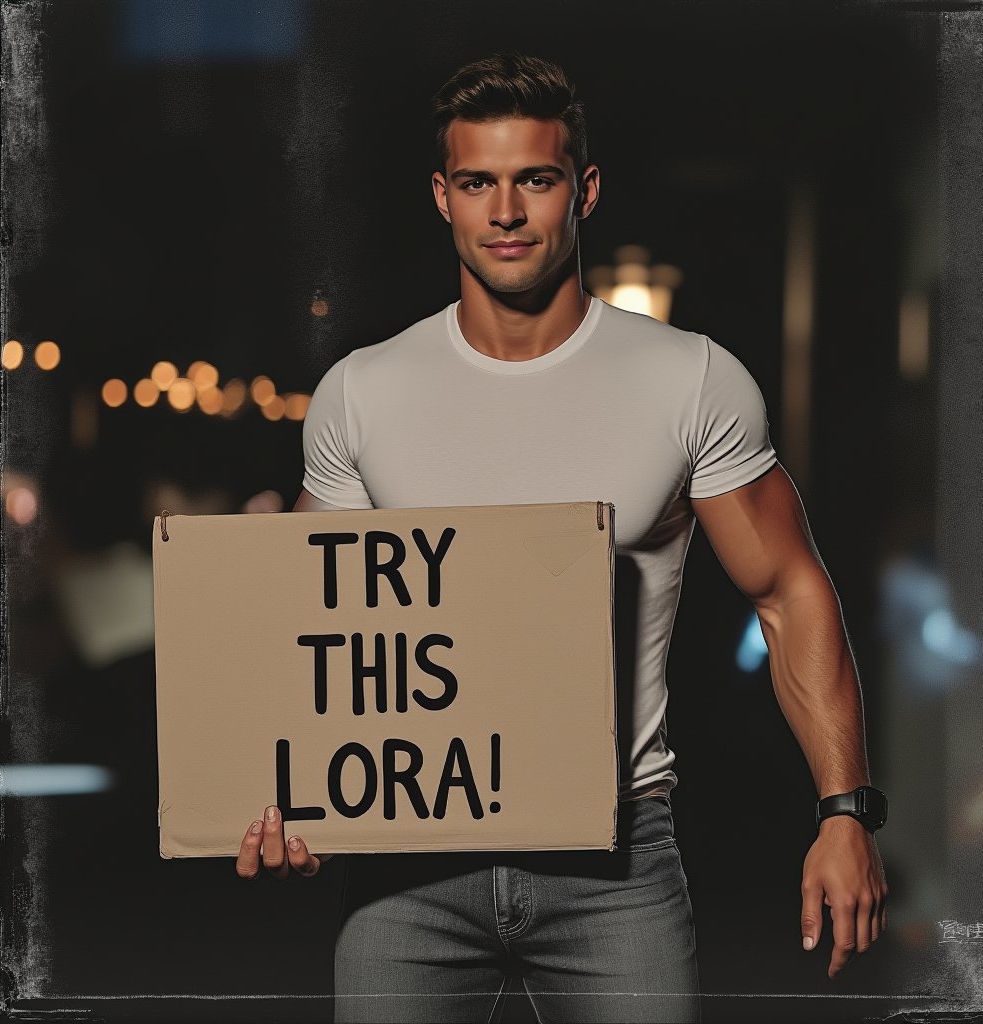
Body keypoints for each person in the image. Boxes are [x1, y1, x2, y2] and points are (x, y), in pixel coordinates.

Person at [235, 52, 889, 1024]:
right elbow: (314, 629)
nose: (504, 211)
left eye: (533, 180)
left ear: (580, 189)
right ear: (442, 197)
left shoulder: (689, 382)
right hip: (408, 866)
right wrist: (277, 792)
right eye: (476, 183)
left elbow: (787, 588)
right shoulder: (363, 393)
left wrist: (844, 811)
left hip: (616, 858)